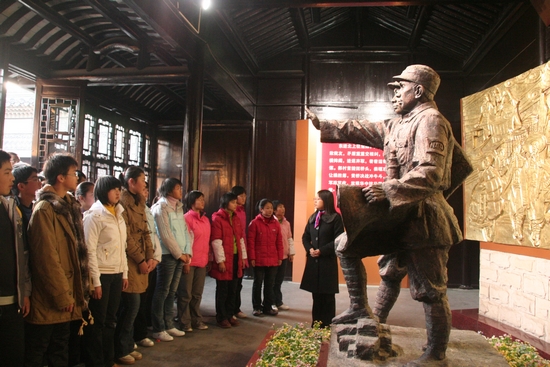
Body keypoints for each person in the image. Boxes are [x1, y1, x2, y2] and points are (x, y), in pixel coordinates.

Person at [305, 64, 471, 362]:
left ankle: (435, 353)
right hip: (399, 216)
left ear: (418, 91)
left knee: (430, 290)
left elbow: (432, 173)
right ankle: (365, 313)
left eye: (401, 88)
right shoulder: (398, 123)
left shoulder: (430, 120)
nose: (395, 94)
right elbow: (361, 128)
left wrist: (391, 190)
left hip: (424, 221)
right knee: (351, 249)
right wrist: (325, 123)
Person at [25, 153, 90, 367]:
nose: (77, 177)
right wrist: (63, 295)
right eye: (74, 173)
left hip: (69, 290)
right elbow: (46, 258)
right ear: (61, 178)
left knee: (61, 348)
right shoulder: (45, 209)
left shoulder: (69, 205)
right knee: (41, 349)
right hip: (52, 295)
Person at [82, 175, 128, 367]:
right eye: (113, 189)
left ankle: (108, 359)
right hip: (101, 274)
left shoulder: (118, 214)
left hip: (116, 274)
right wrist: (96, 281)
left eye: (119, 189)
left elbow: (122, 246)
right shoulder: (94, 216)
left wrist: (124, 273)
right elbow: (89, 251)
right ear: (102, 191)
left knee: (111, 320)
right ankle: (95, 361)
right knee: (97, 322)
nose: (118, 192)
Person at [115, 166, 154, 365]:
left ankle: (128, 344)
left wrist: (149, 255)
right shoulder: (122, 202)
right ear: (131, 182)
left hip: (141, 260)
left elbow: (146, 231)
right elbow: (127, 237)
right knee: (130, 306)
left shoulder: (139, 202)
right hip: (129, 261)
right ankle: (121, 347)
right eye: (142, 180)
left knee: (135, 306)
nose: (145, 184)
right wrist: (140, 259)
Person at [0, 150, 31, 367]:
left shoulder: (9, 207)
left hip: (13, 300)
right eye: (7, 172)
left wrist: (24, 291)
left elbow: (20, 254)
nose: (12, 177)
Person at [151, 178, 191, 341]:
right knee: (163, 291)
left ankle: (169, 324)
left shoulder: (178, 207)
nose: (180, 190)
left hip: (180, 254)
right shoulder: (160, 208)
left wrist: (187, 252)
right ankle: (158, 327)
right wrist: (179, 254)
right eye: (177, 188)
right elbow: (165, 235)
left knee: (172, 291)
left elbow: (185, 230)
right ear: (168, 190)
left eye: (181, 187)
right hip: (168, 255)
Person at [300, 190, 344, 328]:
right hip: (314, 262)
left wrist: (322, 251)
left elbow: (339, 239)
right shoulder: (314, 217)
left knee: (328, 296)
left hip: (327, 261)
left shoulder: (336, 218)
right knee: (316, 295)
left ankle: (328, 322)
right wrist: (310, 249)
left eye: (318, 199)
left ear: (326, 200)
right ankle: (316, 323)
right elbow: (305, 237)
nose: (315, 200)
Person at [209, 192, 247, 328]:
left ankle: (230, 314)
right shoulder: (217, 219)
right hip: (225, 258)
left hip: (235, 257)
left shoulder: (236, 218)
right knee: (223, 289)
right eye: (233, 202)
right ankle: (221, 316)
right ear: (226, 203)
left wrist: (243, 258)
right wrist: (221, 261)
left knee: (234, 288)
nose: (236, 205)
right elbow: (216, 241)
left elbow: (240, 239)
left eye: (236, 203)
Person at [177, 190, 211, 331]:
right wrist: (186, 261)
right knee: (185, 294)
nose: (202, 202)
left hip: (202, 262)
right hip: (189, 262)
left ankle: (196, 320)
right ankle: (185, 322)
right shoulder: (186, 218)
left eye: (203, 199)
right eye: (199, 199)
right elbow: (185, 241)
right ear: (191, 202)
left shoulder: (205, 219)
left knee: (197, 293)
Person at [134, 181, 160, 348]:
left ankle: (141, 332)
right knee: (134, 304)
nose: (145, 192)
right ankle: (134, 336)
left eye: (146, 189)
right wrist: (142, 259)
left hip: (150, 259)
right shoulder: (133, 210)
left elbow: (152, 235)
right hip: (137, 261)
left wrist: (154, 257)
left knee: (145, 298)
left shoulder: (146, 210)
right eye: (143, 189)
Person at [248, 198, 283, 317]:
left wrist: (279, 257)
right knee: (258, 283)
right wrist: (252, 257)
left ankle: (268, 306)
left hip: (272, 258)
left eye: (271, 208)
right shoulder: (254, 223)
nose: (269, 210)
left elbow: (279, 242)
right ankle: (257, 307)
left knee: (270, 284)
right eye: (267, 208)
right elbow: (251, 242)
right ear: (261, 209)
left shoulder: (276, 223)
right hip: (259, 259)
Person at [272, 200, 295, 311]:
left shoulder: (286, 223)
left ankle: (279, 301)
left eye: (283, 206)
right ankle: (271, 302)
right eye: (280, 207)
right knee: (272, 281)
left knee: (279, 280)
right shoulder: (272, 222)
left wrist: (291, 252)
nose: (283, 209)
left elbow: (289, 238)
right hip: (274, 256)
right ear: (274, 210)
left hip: (284, 255)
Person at [230, 185, 248, 319]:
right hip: (233, 249)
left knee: (239, 281)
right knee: (232, 282)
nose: (244, 198)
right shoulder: (233, 211)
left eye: (244, 195)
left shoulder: (242, 212)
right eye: (241, 196)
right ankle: (231, 309)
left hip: (242, 247)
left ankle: (237, 308)